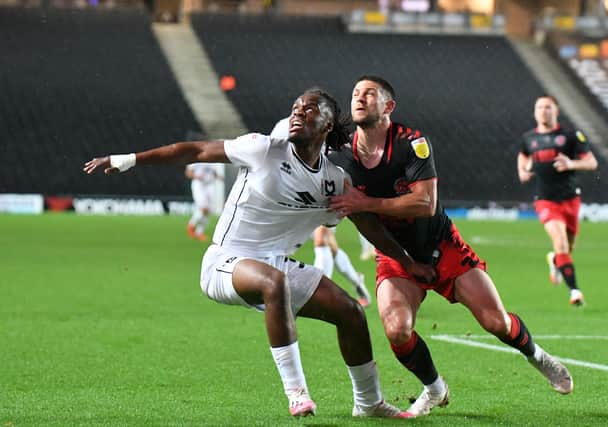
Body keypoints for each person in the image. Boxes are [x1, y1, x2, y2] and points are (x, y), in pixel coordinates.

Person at [84, 88, 427, 419]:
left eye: (309, 109)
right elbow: (195, 150)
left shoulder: (333, 181)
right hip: (224, 262)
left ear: (327, 125)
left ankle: (368, 402)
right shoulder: (263, 149)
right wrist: (128, 159)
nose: (298, 112)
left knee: (351, 312)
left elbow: (370, 227)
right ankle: (297, 393)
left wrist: (409, 264)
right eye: (295, 107)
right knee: (273, 282)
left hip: (274, 264)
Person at [328, 76, 574, 417]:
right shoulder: (340, 155)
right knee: (397, 329)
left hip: (442, 245)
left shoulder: (411, 142)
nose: (360, 97)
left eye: (370, 93)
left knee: (494, 322)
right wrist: (402, 257)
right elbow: (360, 219)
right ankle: (434, 388)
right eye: (355, 92)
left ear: (389, 106)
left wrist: (366, 202)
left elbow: (425, 203)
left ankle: (537, 355)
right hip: (396, 255)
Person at [270, 118, 372, 307]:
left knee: (321, 239)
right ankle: (357, 281)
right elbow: (274, 156)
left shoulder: (325, 131)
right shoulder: (285, 127)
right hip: (295, 196)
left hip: (323, 191)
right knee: (331, 247)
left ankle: (314, 292)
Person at [518, 95, 598, 307]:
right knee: (561, 243)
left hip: (570, 199)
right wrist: (522, 171)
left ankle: (555, 260)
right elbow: (523, 155)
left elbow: (591, 163)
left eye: (548, 107)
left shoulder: (571, 136)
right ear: (535, 112)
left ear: (556, 111)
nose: (543, 111)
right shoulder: (529, 138)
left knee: (567, 248)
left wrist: (571, 164)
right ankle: (575, 291)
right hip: (545, 200)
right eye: (540, 107)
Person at [184, 162, 223, 241]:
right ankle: (191, 226)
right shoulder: (196, 158)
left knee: (208, 210)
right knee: (204, 208)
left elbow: (213, 172)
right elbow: (188, 173)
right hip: (199, 184)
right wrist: (197, 176)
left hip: (210, 185)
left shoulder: (211, 158)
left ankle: (199, 232)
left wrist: (219, 177)